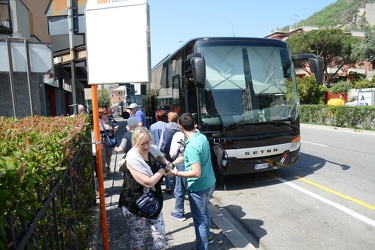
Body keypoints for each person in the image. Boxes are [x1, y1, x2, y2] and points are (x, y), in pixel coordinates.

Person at [166, 113, 216, 250]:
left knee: (199, 220)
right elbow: (186, 156)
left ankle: (202, 247)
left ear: (180, 127)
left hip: (198, 187)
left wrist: (175, 172)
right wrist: (172, 164)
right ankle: (207, 237)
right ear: (195, 125)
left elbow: (196, 172)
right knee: (205, 212)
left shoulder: (192, 145)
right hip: (209, 183)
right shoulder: (201, 137)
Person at [121, 127, 171, 250]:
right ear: (135, 143)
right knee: (137, 238)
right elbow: (147, 182)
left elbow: (165, 162)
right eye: (142, 144)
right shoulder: (132, 158)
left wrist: (168, 167)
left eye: (148, 142)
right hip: (135, 202)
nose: (146, 146)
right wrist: (161, 171)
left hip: (154, 200)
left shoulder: (153, 150)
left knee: (160, 235)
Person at [168, 126, 188, 221]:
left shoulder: (178, 135)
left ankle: (179, 213)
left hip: (182, 162)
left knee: (180, 188)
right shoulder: (198, 133)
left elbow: (172, 153)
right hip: (196, 162)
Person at [159, 111, 179, 194]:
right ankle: (176, 185)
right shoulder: (179, 127)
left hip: (167, 150)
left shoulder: (166, 126)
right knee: (175, 167)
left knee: (168, 167)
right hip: (177, 150)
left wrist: (160, 148)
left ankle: (168, 187)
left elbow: (162, 139)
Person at [99, 107, 119, 177]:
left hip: (109, 141)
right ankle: (104, 171)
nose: (106, 115)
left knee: (109, 157)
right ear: (100, 114)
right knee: (103, 158)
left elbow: (112, 132)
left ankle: (108, 169)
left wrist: (115, 130)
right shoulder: (98, 122)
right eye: (104, 113)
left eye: (107, 113)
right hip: (102, 142)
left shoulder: (110, 121)